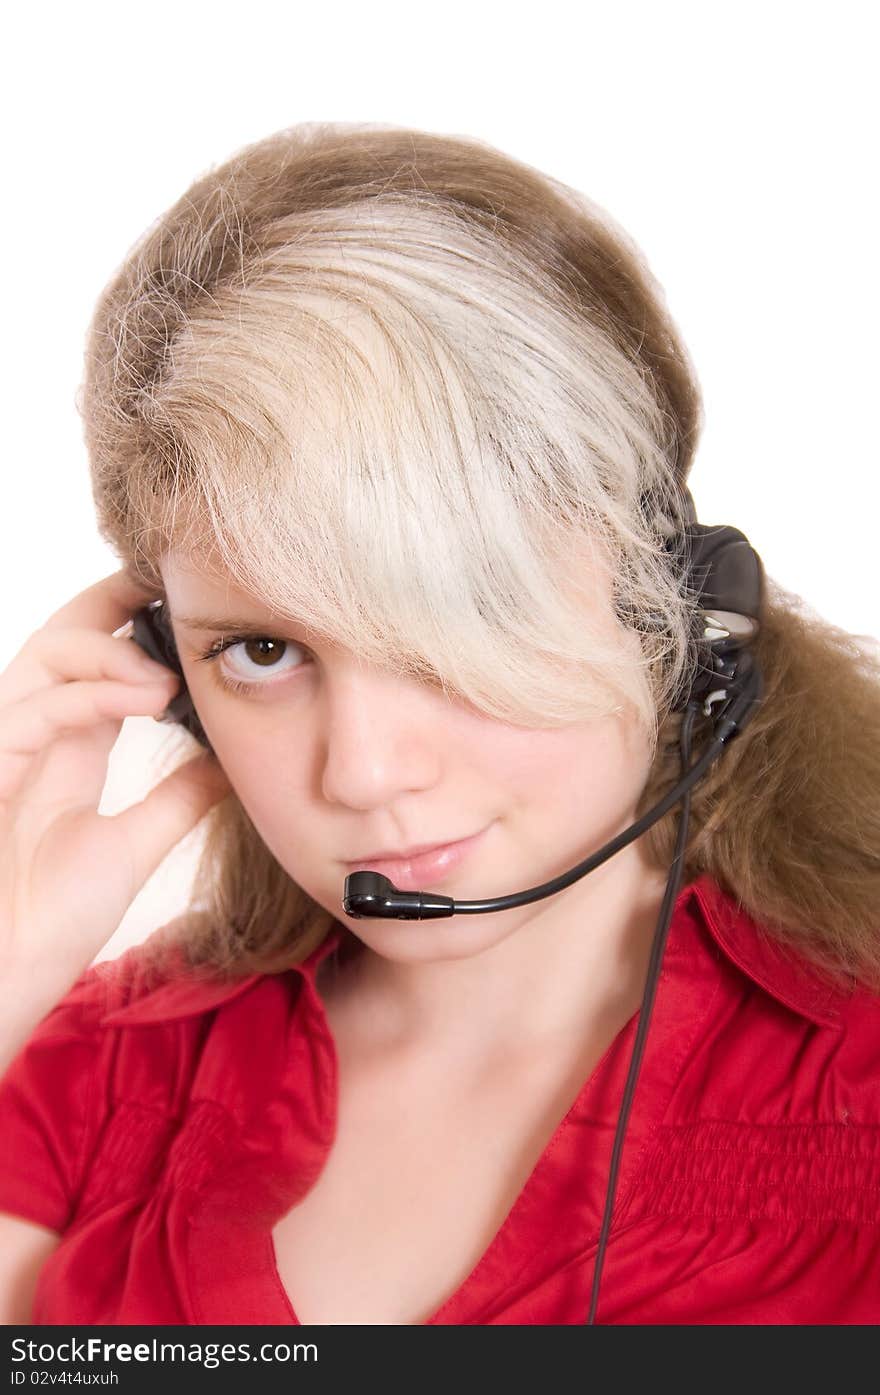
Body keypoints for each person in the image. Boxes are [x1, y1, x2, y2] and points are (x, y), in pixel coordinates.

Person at [1, 121, 879, 1327]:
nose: (364, 774)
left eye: (451, 618)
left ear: (670, 600)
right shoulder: (93, 1068)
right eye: (261, 651)